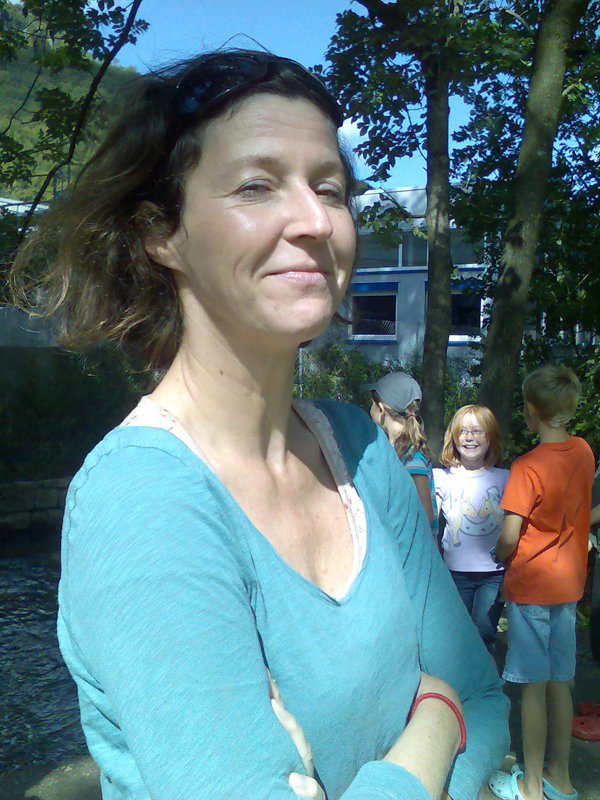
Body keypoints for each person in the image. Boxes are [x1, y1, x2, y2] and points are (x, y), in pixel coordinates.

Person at [11, 49, 509, 800]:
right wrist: (437, 718)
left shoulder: (362, 449)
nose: (315, 220)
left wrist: (447, 713)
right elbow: (460, 705)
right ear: (161, 233)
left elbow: (485, 701)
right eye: (256, 185)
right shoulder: (141, 498)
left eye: (330, 188)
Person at [488, 365, 594, 800]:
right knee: (561, 681)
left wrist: (497, 554)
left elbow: (509, 537)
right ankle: (561, 779)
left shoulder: (527, 466)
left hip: (531, 586)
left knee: (531, 687)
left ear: (531, 411)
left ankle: (530, 786)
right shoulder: (583, 451)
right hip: (569, 585)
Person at [434, 405, 509, 647]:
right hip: (454, 573)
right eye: (463, 431)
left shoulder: (506, 478)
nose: (469, 437)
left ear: (491, 437)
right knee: (456, 633)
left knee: (485, 630)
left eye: (478, 431)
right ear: (453, 437)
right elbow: (430, 522)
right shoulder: (442, 477)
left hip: (494, 572)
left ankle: (486, 669)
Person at [364, 372, 438, 538]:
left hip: (413, 551)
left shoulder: (411, 456)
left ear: (381, 409)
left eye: (372, 404)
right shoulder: (395, 450)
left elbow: (426, 515)